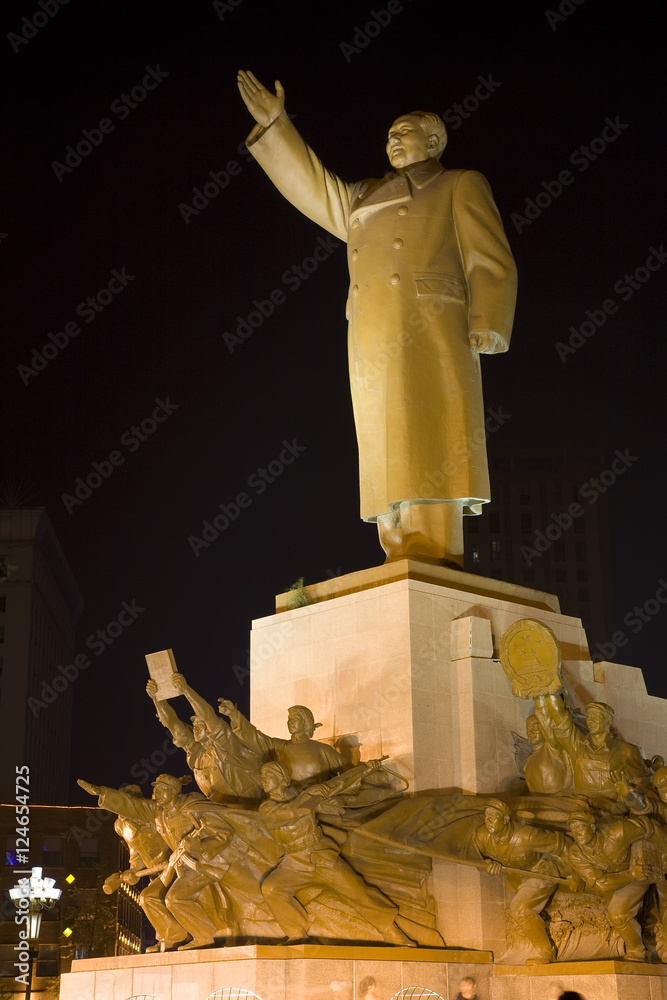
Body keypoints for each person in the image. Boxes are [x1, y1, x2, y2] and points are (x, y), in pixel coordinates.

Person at [237, 70, 517, 567]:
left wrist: (487, 317)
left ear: (433, 140)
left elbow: (489, 257)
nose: (392, 140)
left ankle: (433, 547)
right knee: (383, 437)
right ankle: (396, 544)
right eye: (388, 135)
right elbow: (314, 188)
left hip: (432, 326)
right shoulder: (365, 196)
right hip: (372, 331)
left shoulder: (459, 183)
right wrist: (278, 126)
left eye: (403, 132)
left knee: (429, 431)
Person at [258, 759, 413, 945]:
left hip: (322, 855)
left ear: (282, 779)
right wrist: (311, 794)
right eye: (262, 776)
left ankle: (390, 932)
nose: (263, 779)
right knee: (270, 888)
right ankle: (296, 933)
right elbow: (293, 811)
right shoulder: (267, 808)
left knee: (358, 892)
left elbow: (335, 786)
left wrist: (365, 769)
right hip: (295, 863)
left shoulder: (302, 795)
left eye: (268, 775)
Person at [473, 798, 565, 963]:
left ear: (506, 819)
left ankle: (545, 952)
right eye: (487, 816)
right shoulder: (482, 835)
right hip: (517, 879)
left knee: (520, 909)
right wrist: (486, 865)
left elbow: (562, 845)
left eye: (494, 816)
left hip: (539, 872)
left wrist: (578, 875)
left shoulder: (526, 835)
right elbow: (478, 860)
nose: (488, 820)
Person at [147, 676, 264, 802]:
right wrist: (157, 699)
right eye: (194, 725)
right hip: (223, 811)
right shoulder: (197, 754)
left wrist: (186, 690)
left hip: (254, 804)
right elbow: (173, 724)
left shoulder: (225, 743)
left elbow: (208, 716)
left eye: (200, 724)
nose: (195, 728)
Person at [565, 809, 657, 962]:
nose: (576, 832)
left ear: (593, 828)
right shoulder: (575, 853)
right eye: (573, 829)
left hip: (642, 871)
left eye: (580, 827)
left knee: (617, 914)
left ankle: (636, 951)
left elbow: (651, 828)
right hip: (627, 876)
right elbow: (602, 884)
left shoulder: (616, 831)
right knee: (620, 915)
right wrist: (631, 874)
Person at [535, 693, 651, 805]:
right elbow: (559, 718)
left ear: (609, 722)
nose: (591, 720)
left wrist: (628, 792)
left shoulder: (627, 750)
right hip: (580, 805)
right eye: (589, 717)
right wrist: (549, 689)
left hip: (611, 809)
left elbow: (644, 782)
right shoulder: (577, 745)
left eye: (596, 716)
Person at [218, 698, 345, 786]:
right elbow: (254, 737)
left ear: (306, 722)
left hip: (315, 803)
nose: (290, 722)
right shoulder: (279, 747)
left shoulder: (322, 750)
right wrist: (233, 714)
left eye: (295, 718)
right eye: (289, 719)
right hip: (287, 802)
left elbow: (351, 771)